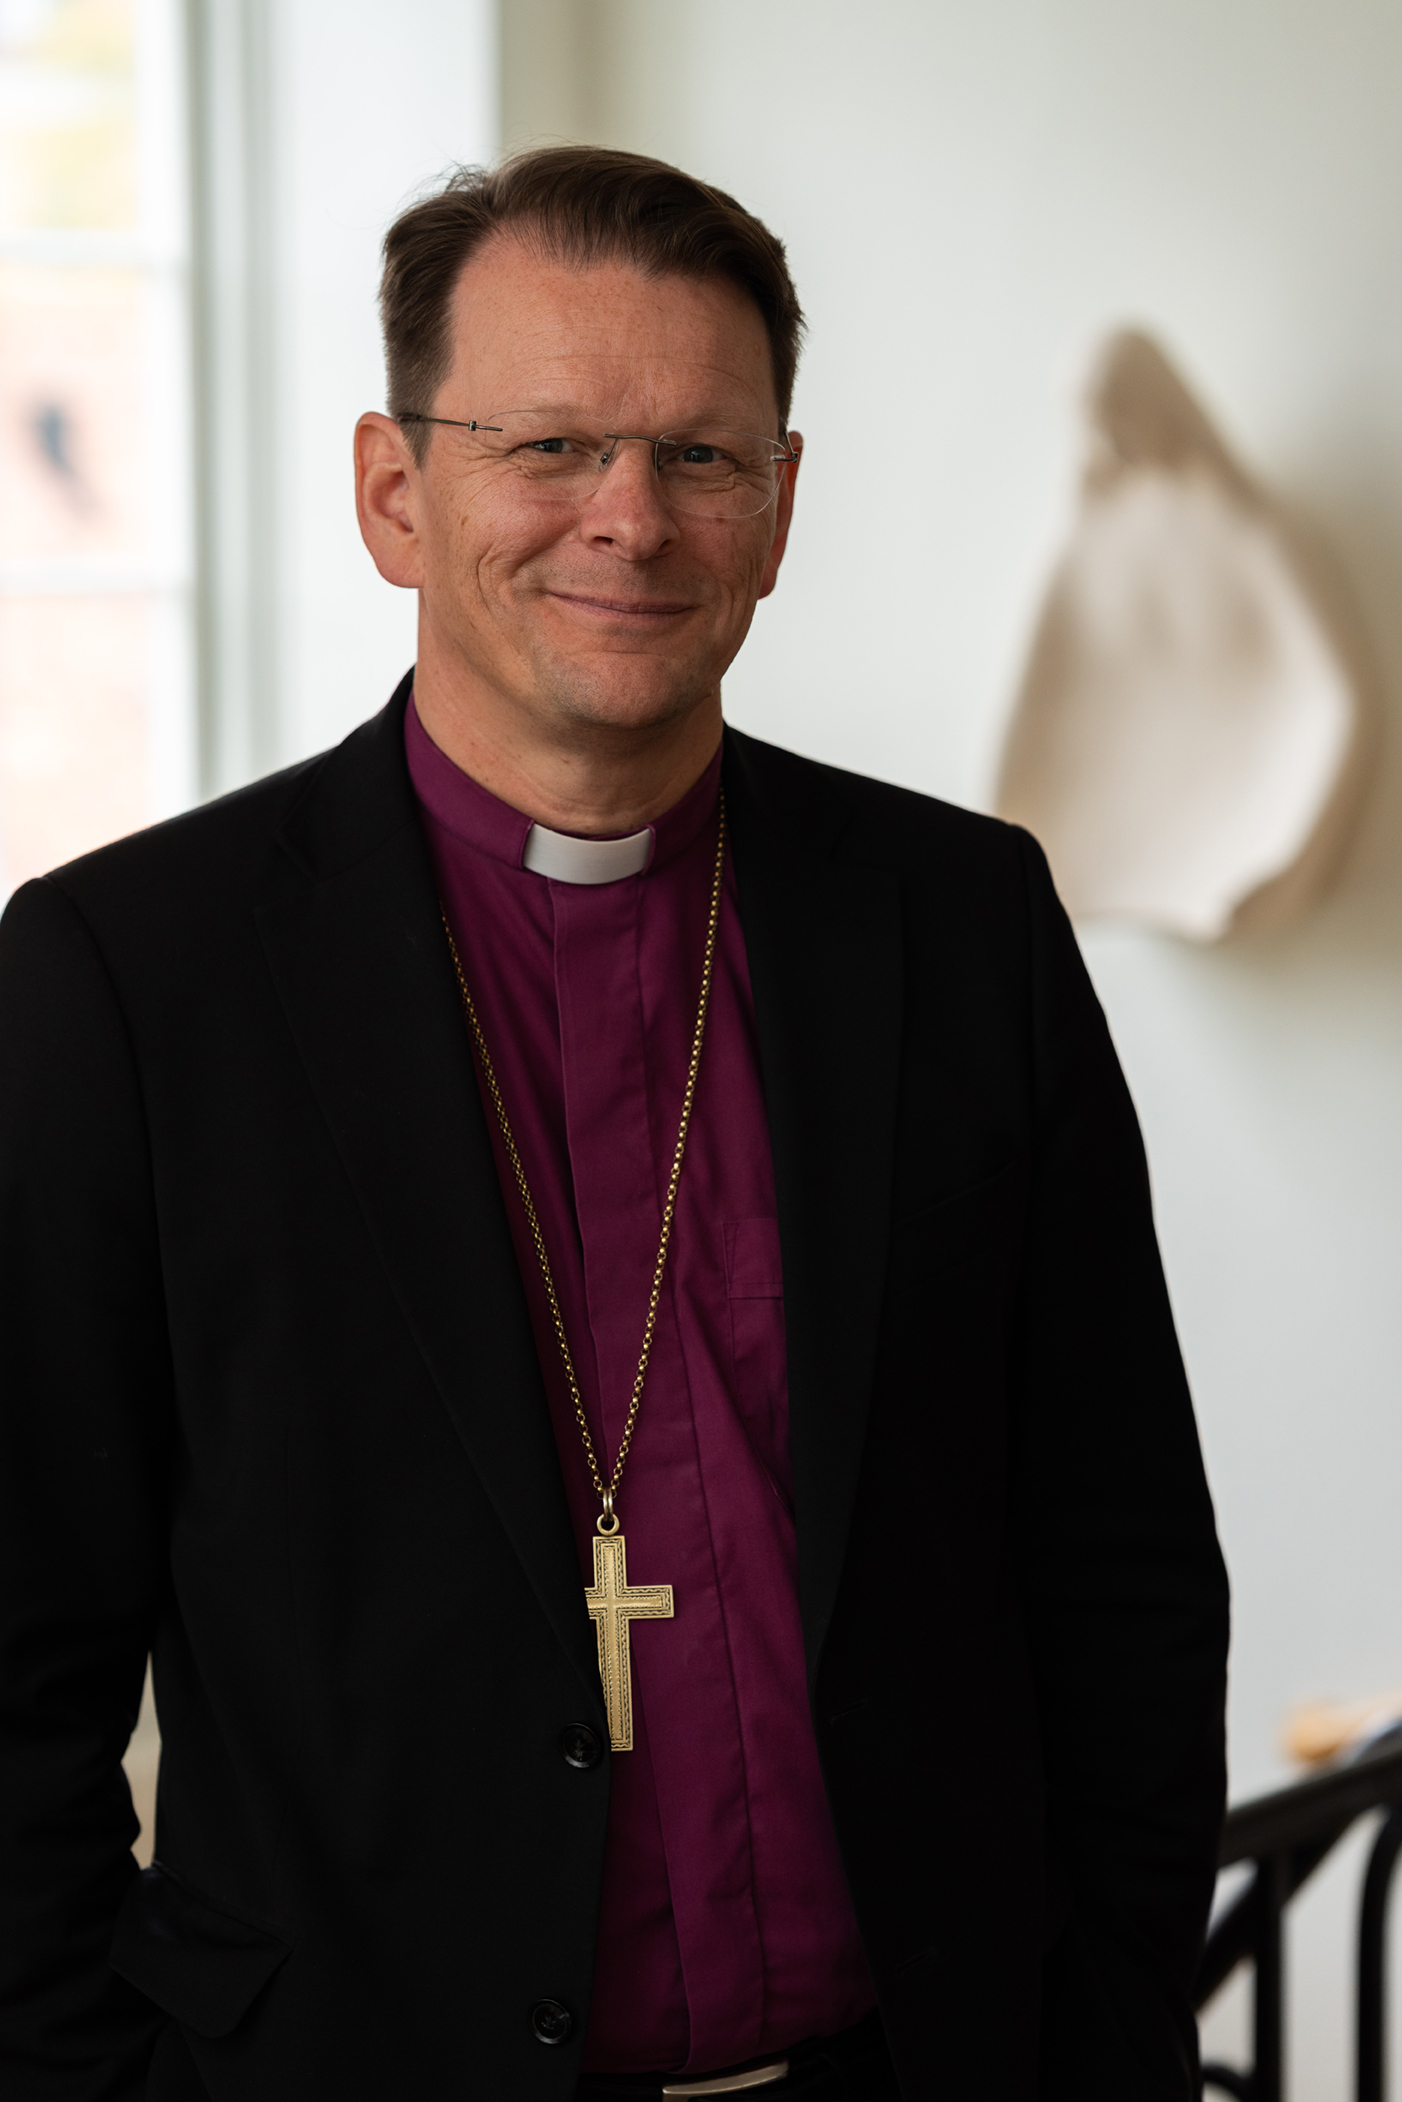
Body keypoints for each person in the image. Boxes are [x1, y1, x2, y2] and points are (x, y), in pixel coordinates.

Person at [0, 147, 1229, 2102]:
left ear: (778, 509)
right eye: (549, 444)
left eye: (699, 457)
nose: (630, 519)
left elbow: (1122, 1564)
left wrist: (1110, 2038)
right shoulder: (129, 982)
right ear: (394, 495)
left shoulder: (959, 923)